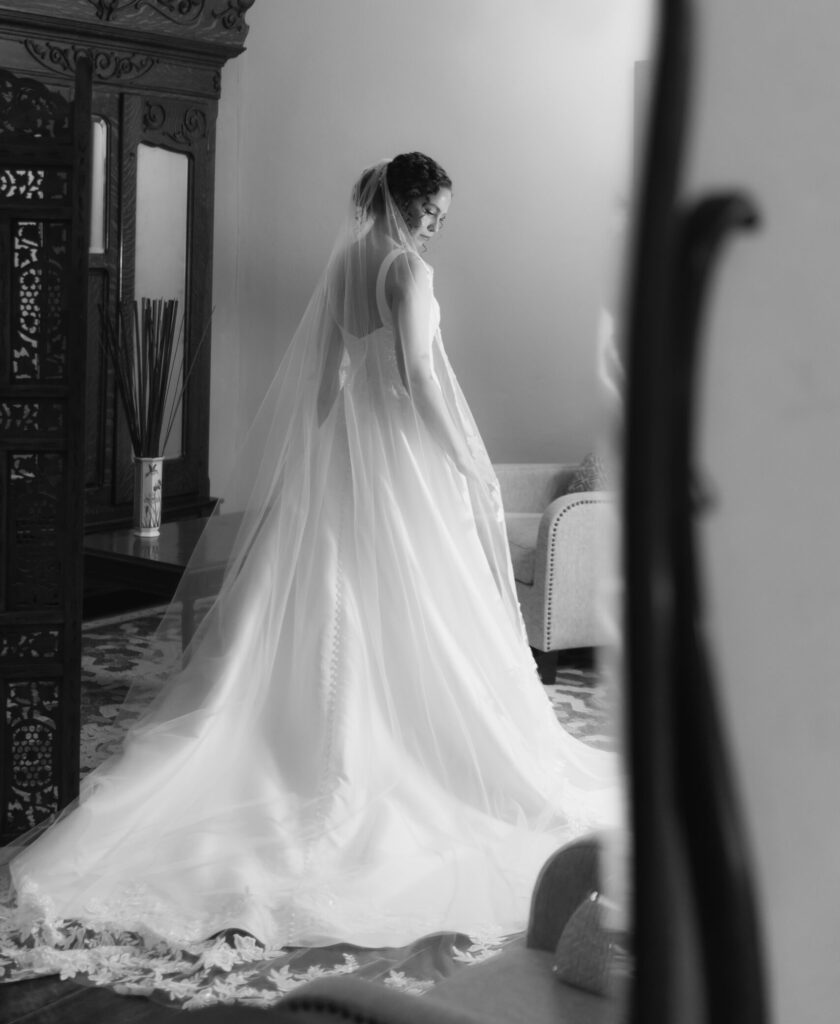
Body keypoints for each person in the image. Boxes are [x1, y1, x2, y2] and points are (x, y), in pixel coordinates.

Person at [0, 153, 620, 1008]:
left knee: (343, 600)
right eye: (434, 211)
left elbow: (329, 382)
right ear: (405, 203)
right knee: (412, 606)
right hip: (402, 457)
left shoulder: (345, 267)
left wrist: (321, 468)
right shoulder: (407, 270)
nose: (439, 226)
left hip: (348, 463)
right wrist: (466, 461)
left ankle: (313, 734)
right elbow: (418, 379)